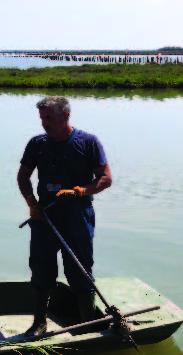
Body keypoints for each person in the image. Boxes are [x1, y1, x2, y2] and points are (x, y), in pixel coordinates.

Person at [17, 96, 112, 336]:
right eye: (42, 118)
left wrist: (80, 191)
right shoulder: (37, 144)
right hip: (45, 217)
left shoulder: (88, 142)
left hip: (77, 215)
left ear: (65, 115)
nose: (44, 123)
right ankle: (39, 323)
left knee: (80, 270)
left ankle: (86, 325)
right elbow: (23, 176)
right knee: (41, 270)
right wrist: (32, 204)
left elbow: (105, 178)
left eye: (49, 117)